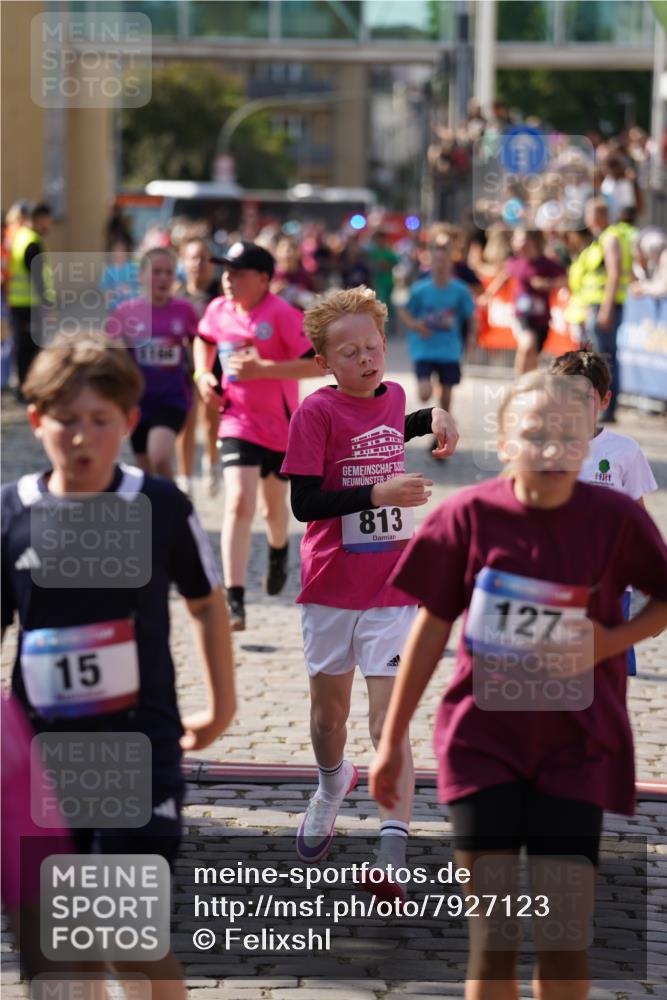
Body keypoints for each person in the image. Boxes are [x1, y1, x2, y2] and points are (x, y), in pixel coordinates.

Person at [370, 371, 667, 1000]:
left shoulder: (614, 518)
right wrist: (392, 741)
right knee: (495, 941)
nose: (552, 448)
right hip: (484, 745)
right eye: (534, 433)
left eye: (567, 434)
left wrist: (603, 644)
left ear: (590, 441)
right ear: (504, 442)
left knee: (563, 944)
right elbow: (430, 626)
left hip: (577, 746)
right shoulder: (468, 515)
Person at [1, 333, 236, 998]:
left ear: (129, 422)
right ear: (37, 420)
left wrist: (222, 708)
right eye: (66, 421)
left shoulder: (158, 506)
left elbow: (206, 604)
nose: (82, 437)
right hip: (41, 756)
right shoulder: (11, 512)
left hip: (139, 746)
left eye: (100, 421)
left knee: (122, 933)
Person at [281, 286, 459, 897]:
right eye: (349, 352)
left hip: (392, 587)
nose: (366, 358)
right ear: (325, 363)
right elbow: (304, 503)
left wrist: (430, 416)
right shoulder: (315, 413)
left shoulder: (397, 394)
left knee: (390, 719)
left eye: (374, 346)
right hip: (330, 585)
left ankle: (391, 854)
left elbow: (388, 423)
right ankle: (332, 785)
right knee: (329, 719)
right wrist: (374, 496)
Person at [194, 241, 321, 631]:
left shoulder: (282, 315)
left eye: (238, 273)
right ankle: (234, 599)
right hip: (236, 421)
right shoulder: (218, 309)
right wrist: (204, 375)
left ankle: (279, 548)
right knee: (238, 502)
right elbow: (204, 340)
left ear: (264, 279)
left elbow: (316, 367)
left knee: (272, 511)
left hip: (281, 428)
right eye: (226, 272)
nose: (228, 280)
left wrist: (263, 369)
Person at [549, 346, 658, 675]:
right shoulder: (541, 449)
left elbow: (640, 523)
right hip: (554, 586)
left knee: (605, 682)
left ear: (605, 401)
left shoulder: (624, 452)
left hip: (610, 590)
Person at [106, 247, 199, 481]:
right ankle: (159, 512)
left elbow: (198, 347)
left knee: (159, 456)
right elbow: (112, 355)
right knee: (145, 471)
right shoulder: (124, 312)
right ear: (141, 276)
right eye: (157, 272)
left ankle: (176, 506)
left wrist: (200, 379)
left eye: (169, 272)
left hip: (172, 399)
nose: (164, 278)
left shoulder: (184, 310)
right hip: (137, 402)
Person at [398, 238, 475, 440]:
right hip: (424, 347)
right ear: (430, 264)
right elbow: (404, 312)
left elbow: (471, 315)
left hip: (449, 349)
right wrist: (416, 325)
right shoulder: (420, 289)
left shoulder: (460, 289)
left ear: (450, 264)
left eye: (444, 262)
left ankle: (441, 430)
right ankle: (435, 417)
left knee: (447, 394)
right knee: (425, 393)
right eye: (436, 262)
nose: (440, 266)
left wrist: (472, 339)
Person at [575, 198, 634, 422]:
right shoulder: (598, 240)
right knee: (598, 358)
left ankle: (607, 408)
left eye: (589, 214)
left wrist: (606, 309)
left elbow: (614, 273)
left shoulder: (610, 239)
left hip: (604, 306)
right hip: (594, 305)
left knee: (604, 359)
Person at [174, 237, 223, 498]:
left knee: (211, 420)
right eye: (193, 258)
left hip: (214, 366)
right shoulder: (176, 295)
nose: (198, 264)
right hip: (183, 366)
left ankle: (211, 462)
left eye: (204, 258)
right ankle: (184, 478)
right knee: (186, 422)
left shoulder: (221, 296)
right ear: (183, 262)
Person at [482, 229, 566, 376]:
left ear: (531, 242)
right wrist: (487, 296)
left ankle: (528, 381)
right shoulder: (515, 263)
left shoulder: (546, 264)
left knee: (532, 351)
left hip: (541, 319)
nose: (515, 244)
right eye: (515, 240)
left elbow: (565, 279)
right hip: (521, 315)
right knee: (527, 344)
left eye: (519, 240)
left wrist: (548, 284)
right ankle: (518, 383)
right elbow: (503, 278)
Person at [7, 202, 55, 398]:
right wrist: (47, 303)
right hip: (28, 304)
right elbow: (37, 276)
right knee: (30, 349)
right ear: (39, 219)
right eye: (48, 220)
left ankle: (24, 388)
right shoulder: (31, 242)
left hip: (19, 303)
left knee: (24, 347)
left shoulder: (20, 237)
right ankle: (28, 390)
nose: (50, 224)